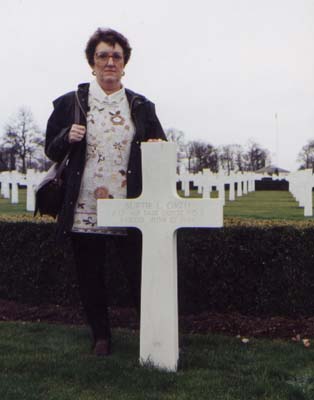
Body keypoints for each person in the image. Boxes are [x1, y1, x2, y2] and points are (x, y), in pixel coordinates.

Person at [45, 28, 166, 356]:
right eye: (103, 55)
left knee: (138, 275)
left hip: (131, 207)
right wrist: (66, 137)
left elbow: (161, 149)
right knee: (91, 277)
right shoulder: (70, 103)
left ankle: (153, 335)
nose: (110, 62)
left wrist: (156, 147)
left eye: (116, 56)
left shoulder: (140, 106)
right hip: (85, 206)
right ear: (92, 62)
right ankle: (101, 336)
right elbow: (51, 152)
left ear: (124, 63)